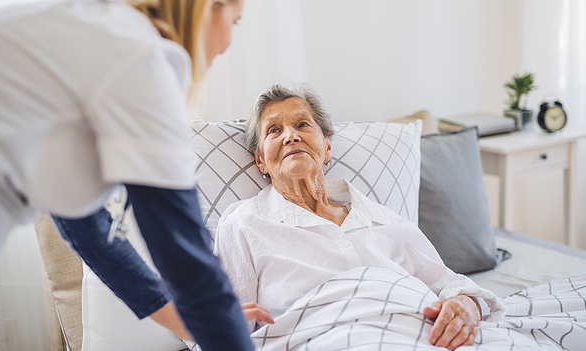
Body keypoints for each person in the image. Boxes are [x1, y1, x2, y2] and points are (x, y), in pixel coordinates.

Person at [0, 0, 254, 349]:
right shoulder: (142, 60)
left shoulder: (95, 29)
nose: (229, 43)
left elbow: (92, 232)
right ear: (207, 8)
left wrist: (185, 324)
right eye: (234, 22)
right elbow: (187, 261)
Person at [213, 84, 505, 350]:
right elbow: (220, 328)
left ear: (327, 147)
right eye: (274, 131)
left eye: (302, 124)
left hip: (424, 335)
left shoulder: (380, 218)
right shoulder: (244, 224)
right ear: (260, 160)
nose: (291, 135)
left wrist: (467, 305)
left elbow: (450, 284)